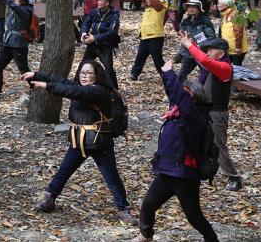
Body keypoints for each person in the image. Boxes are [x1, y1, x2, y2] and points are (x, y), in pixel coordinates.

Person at [22, 61, 135, 224]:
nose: (85, 76)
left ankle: (123, 209)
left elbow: (72, 91)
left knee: (111, 176)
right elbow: (64, 82)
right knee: (64, 170)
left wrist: (47, 86)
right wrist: (37, 75)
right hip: (79, 139)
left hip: (99, 142)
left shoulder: (98, 91)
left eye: (89, 73)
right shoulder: (81, 87)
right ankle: (50, 199)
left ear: (97, 76)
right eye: (82, 72)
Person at [132, 57, 218, 242]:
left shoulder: (195, 116)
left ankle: (212, 240)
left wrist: (171, 73)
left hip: (184, 175)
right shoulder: (177, 112)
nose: (178, 97)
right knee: (148, 205)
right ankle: (146, 236)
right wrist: (165, 74)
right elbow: (174, 94)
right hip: (167, 171)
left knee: (193, 215)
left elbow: (178, 96)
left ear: (193, 97)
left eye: (184, 93)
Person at [177, 34, 242, 191]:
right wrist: (191, 42)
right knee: (192, 138)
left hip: (217, 113)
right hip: (203, 110)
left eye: (210, 50)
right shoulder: (213, 64)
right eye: (206, 50)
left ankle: (233, 177)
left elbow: (204, 60)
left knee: (218, 145)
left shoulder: (225, 68)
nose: (207, 53)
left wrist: (188, 45)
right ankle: (192, 169)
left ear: (221, 53)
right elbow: (203, 59)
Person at [79, 0, 120, 86]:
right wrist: (84, 32)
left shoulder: (114, 15)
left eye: (101, 0)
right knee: (83, 65)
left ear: (107, 3)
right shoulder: (94, 12)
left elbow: (112, 32)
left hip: (105, 46)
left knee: (109, 70)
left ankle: (113, 91)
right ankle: (77, 86)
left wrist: (95, 37)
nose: (98, 2)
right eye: (98, 0)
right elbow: (86, 23)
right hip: (92, 45)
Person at [129, 0, 166, 81]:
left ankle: (166, 74)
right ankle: (134, 73)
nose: (147, 0)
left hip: (155, 37)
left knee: (157, 59)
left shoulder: (161, 4)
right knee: (140, 56)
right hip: (144, 36)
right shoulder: (147, 8)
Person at [176, 0, 217, 81]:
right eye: (189, 7)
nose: (190, 9)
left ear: (199, 8)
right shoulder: (185, 22)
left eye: (193, 7)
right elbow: (184, 39)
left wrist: (202, 47)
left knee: (206, 75)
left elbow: (211, 38)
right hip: (189, 53)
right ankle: (177, 92)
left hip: (202, 53)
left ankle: (208, 92)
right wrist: (181, 53)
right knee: (181, 76)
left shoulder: (204, 21)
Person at [217, 0, 247, 67]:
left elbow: (239, 32)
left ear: (227, 5)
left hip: (235, 49)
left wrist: (238, 47)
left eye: (220, 3)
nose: (218, 5)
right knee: (226, 67)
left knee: (237, 68)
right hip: (228, 48)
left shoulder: (235, 15)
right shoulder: (225, 14)